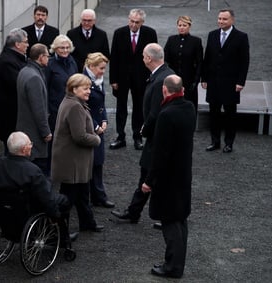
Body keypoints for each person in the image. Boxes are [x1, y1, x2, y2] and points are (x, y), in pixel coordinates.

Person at [111, 43, 174, 224]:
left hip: (157, 138)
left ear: (148, 58)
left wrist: (144, 130)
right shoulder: (162, 74)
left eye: (143, 56)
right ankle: (134, 211)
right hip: (156, 137)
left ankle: (162, 215)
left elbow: (156, 111)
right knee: (146, 173)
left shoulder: (162, 78)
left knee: (155, 176)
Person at [0, 131, 76, 247]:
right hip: (28, 210)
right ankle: (62, 237)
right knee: (63, 201)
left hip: (4, 209)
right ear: (24, 149)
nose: (31, 146)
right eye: (30, 144)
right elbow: (46, 198)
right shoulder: (32, 171)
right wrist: (55, 215)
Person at [142, 75, 196, 278]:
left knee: (170, 221)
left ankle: (172, 266)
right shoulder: (189, 108)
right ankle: (175, 263)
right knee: (180, 219)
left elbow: (160, 153)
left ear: (165, 90)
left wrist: (149, 181)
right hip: (183, 173)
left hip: (168, 178)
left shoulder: (166, 115)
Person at [51, 73, 104, 232]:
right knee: (68, 198)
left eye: (89, 87)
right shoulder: (75, 106)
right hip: (72, 162)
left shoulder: (71, 101)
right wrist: (97, 139)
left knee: (82, 194)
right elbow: (80, 136)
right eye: (85, 88)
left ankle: (87, 223)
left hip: (74, 160)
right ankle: (59, 233)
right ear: (74, 89)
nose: (89, 91)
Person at [201, 9, 250, 153]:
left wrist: (241, 82)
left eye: (224, 19)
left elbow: (244, 61)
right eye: (219, 18)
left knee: (230, 114)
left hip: (231, 83)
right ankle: (215, 141)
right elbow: (207, 58)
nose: (221, 21)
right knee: (214, 113)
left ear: (232, 20)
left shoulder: (241, 37)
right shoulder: (212, 35)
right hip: (213, 82)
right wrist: (204, 78)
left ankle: (229, 143)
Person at [109, 9, 158, 150]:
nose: (133, 25)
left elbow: (153, 57)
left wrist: (151, 76)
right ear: (128, 19)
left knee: (139, 108)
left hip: (141, 78)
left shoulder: (150, 33)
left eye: (137, 22)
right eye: (131, 21)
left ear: (142, 22)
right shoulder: (119, 33)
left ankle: (138, 137)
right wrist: (113, 80)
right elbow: (114, 57)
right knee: (121, 108)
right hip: (122, 78)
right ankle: (120, 137)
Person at [83, 52, 114, 208]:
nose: (103, 72)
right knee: (89, 162)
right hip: (88, 128)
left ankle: (98, 195)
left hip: (97, 126)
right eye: (101, 68)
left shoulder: (97, 79)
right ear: (91, 66)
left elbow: (100, 104)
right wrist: (95, 125)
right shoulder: (84, 81)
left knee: (98, 161)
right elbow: (83, 107)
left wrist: (104, 120)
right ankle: (90, 196)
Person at [16, 44, 52, 176]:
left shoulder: (25, 71)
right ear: (41, 57)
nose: (48, 59)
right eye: (47, 56)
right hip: (34, 135)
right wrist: (46, 132)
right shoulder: (35, 78)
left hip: (25, 129)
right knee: (37, 172)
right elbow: (39, 109)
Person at [45, 35, 78, 173]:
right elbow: (45, 88)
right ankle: (51, 168)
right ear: (55, 49)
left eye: (67, 47)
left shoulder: (72, 62)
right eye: (61, 48)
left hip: (72, 108)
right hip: (55, 109)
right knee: (55, 139)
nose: (65, 50)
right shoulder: (50, 64)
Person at [0, 28, 28, 153]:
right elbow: (19, 84)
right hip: (11, 118)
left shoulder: (14, 58)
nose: (27, 45)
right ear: (17, 44)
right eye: (25, 42)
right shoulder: (8, 62)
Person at [164, 16, 203, 117]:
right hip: (173, 80)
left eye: (184, 25)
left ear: (189, 26)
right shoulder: (171, 40)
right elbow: (165, 59)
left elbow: (199, 62)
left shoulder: (196, 41)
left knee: (189, 107)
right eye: (179, 25)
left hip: (189, 81)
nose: (181, 27)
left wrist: (196, 80)